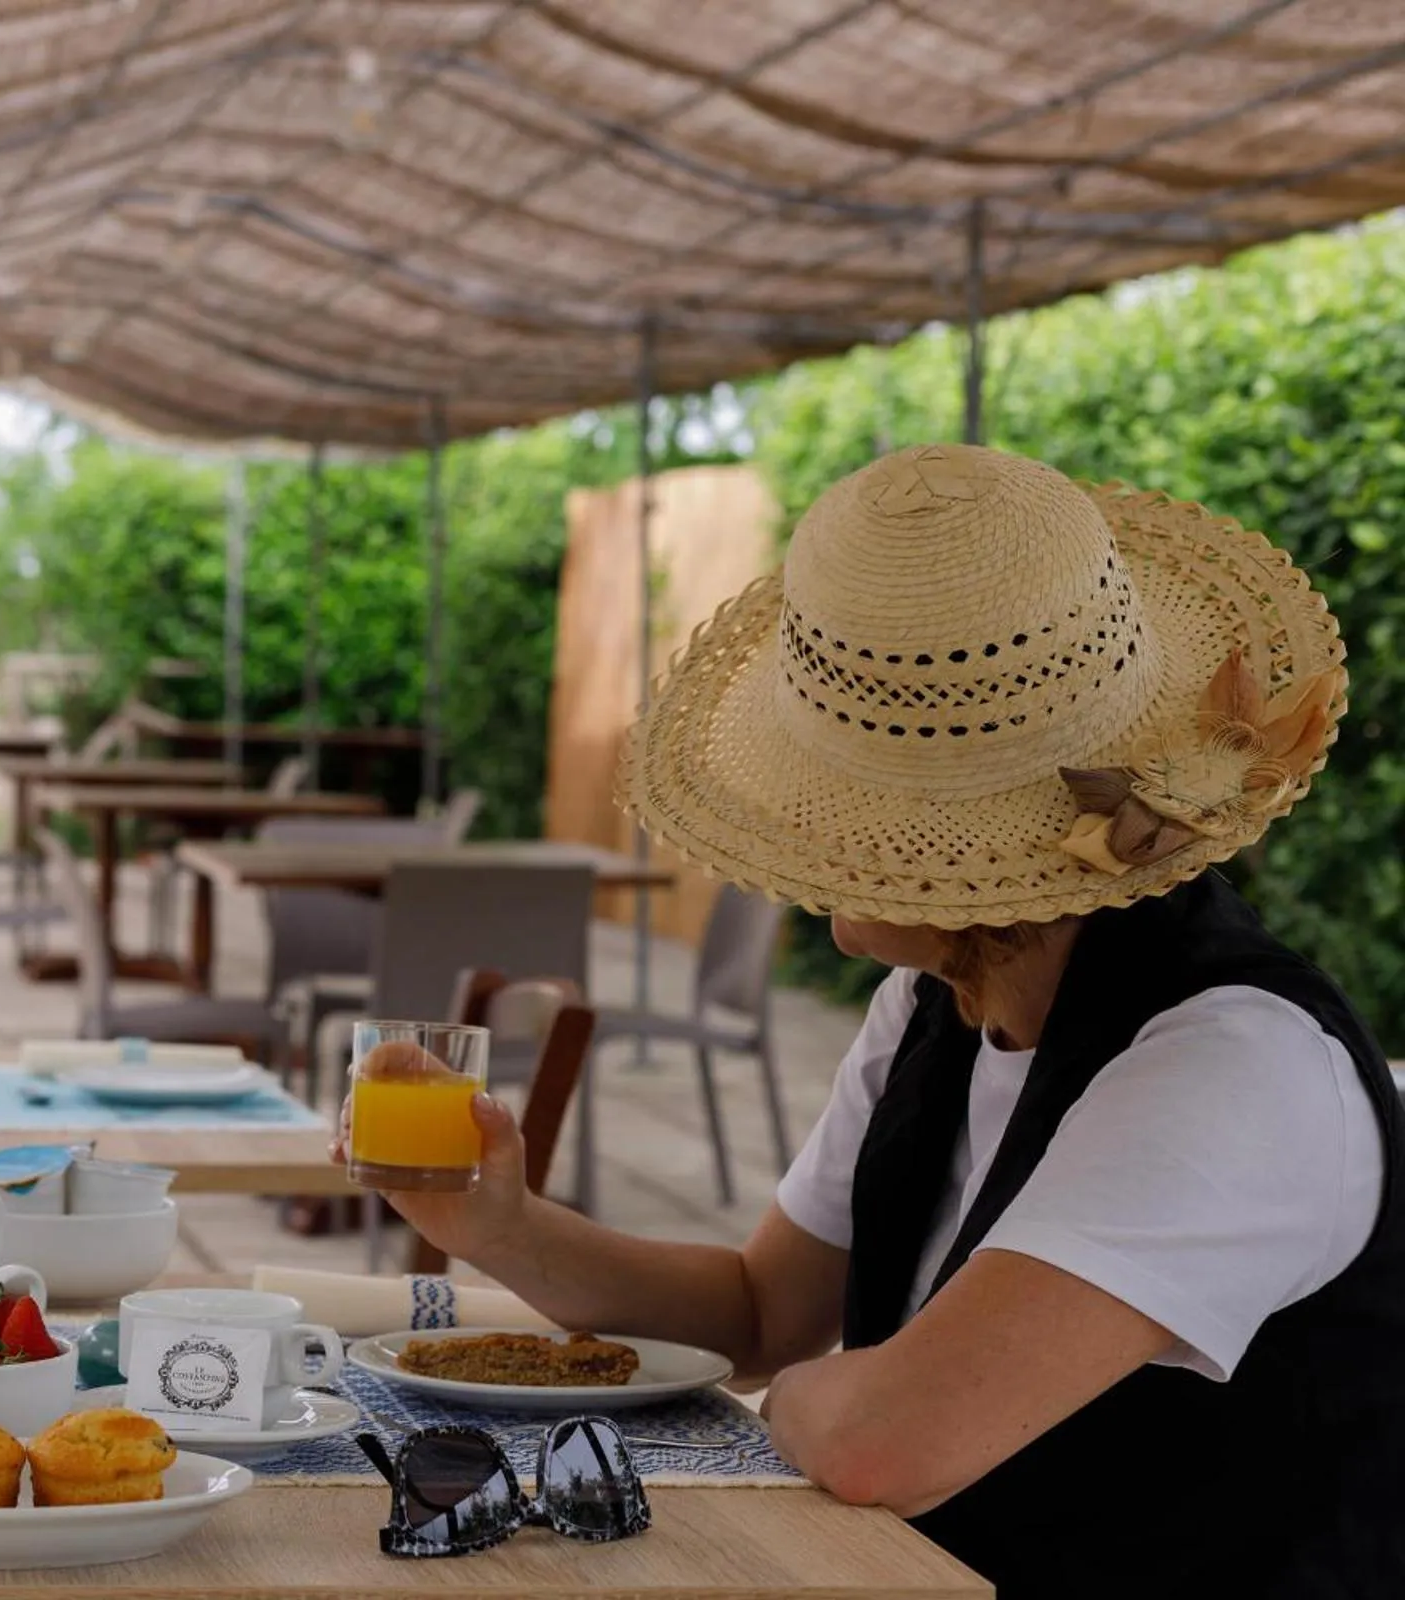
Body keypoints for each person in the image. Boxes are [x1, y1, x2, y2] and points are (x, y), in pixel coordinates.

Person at [347, 445, 1403, 1597]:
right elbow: (761, 1311)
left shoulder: (1233, 1063)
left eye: (842, 810)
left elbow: (879, 1442)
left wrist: (802, 1401)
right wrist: (499, 1224)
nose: (802, 843)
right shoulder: (940, 1002)